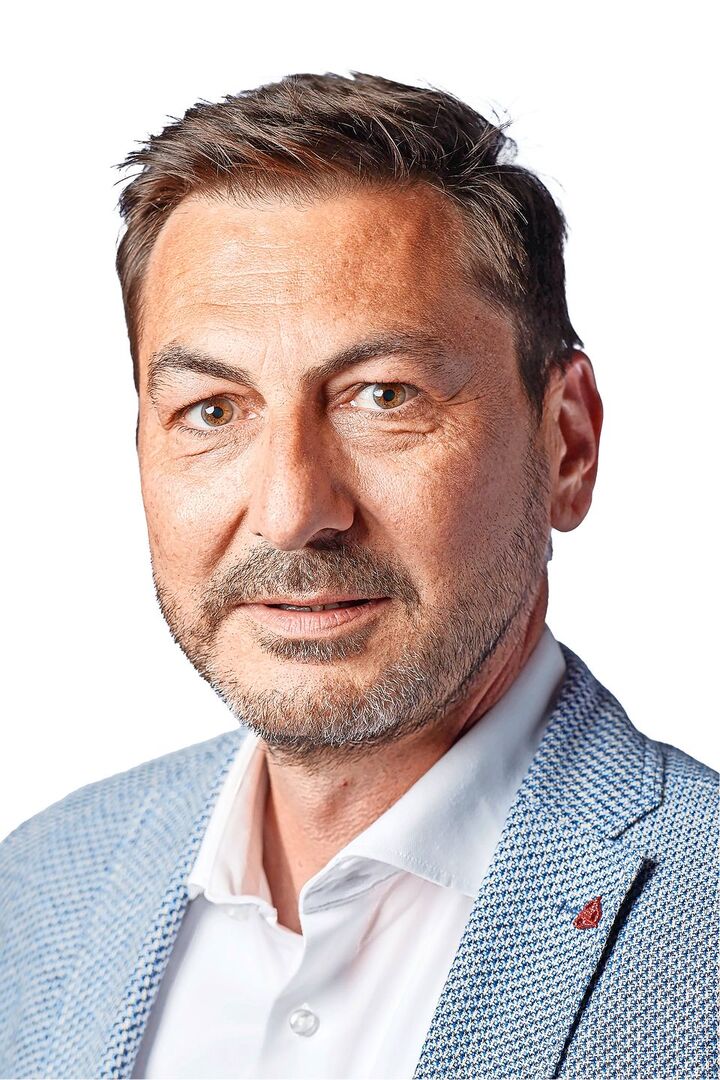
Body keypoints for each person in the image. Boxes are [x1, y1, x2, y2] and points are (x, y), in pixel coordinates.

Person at [0, 70, 716, 1080]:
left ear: (567, 443)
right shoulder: (36, 893)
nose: (294, 509)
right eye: (213, 410)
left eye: (383, 396)